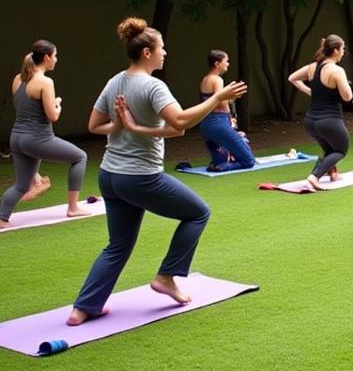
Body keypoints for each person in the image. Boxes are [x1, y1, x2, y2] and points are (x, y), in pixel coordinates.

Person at [66, 18, 246, 326]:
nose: (166, 52)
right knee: (198, 213)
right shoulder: (152, 85)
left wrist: (125, 126)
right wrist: (217, 98)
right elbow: (180, 121)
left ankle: (83, 308)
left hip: (110, 176)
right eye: (162, 48)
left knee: (118, 245)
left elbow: (95, 126)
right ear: (147, 51)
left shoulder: (115, 81)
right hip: (140, 177)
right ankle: (166, 276)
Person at [0, 40, 89, 226]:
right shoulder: (45, 81)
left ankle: (2, 217)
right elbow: (52, 116)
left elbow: (25, 106)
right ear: (47, 57)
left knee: (22, 185)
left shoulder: (18, 78)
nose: (56, 60)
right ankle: (73, 208)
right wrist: (57, 104)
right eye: (55, 56)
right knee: (80, 157)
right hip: (37, 139)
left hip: (17, 138)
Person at [288, 34, 353, 192]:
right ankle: (314, 177)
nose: (344, 52)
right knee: (340, 150)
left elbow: (292, 78)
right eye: (343, 49)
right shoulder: (337, 71)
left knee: (330, 149)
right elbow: (347, 96)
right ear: (336, 50)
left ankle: (332, 173)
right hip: (329, 120)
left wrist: (312, 92)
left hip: (311, 121)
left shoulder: (312, 67)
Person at [197, 50, 256, 172]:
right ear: (217, 64)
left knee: (220, 159)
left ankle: (218, 164)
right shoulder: (217, 80)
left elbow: (211, 101)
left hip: (205, 125)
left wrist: (230, 97)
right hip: (218, 124)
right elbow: (220, 100)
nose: (228, 64)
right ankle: (222, 167)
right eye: (226, 61)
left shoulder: (205, 79)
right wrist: (232, 96)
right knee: (248, 161)